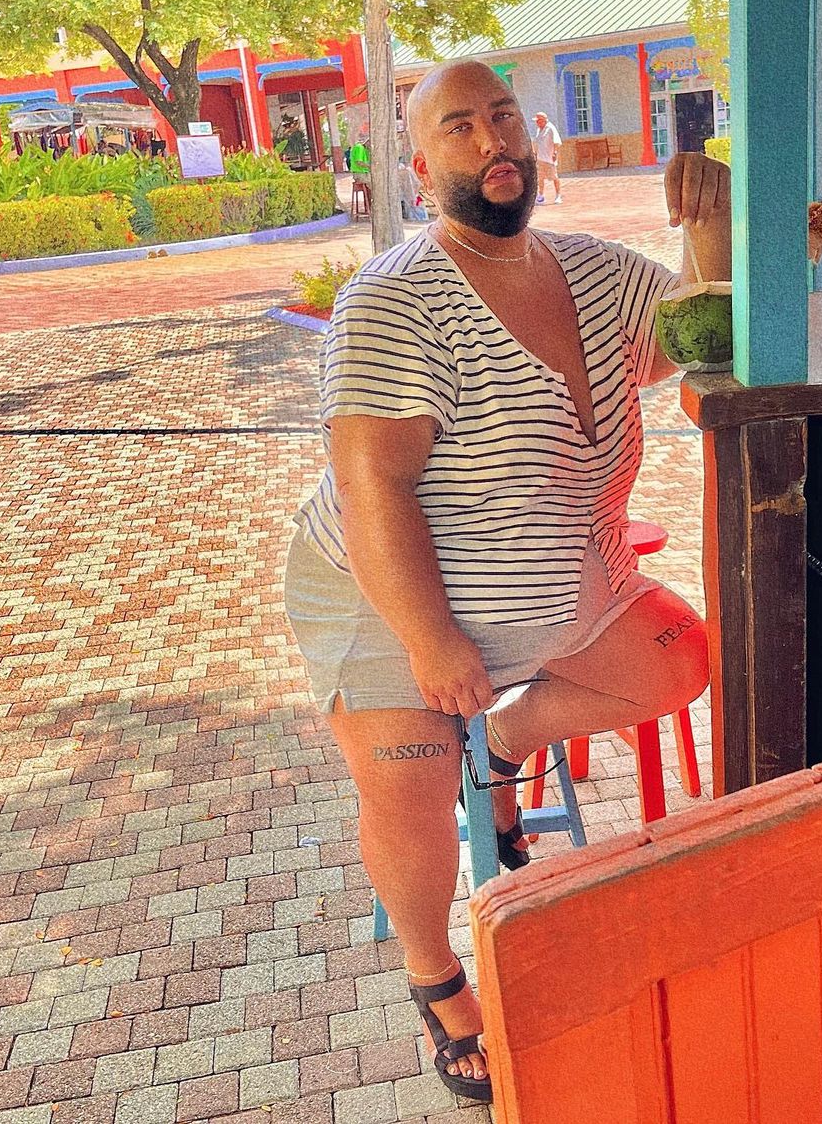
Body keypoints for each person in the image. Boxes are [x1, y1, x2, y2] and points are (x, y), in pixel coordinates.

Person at [284, 60, 718, 1104]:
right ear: (419, 164)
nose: (492, 143)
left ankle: (508, 744)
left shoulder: (595, 270)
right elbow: (375, 485)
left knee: (677, 663)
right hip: (392, 597)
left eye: (504, 117)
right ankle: (435, 978)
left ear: (531, 136)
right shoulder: (393, 301)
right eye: (460, 127)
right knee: (412, 788)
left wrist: (714, 221)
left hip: (564, 577)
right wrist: (431, 644)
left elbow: (701, 330)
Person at [532, 110, 562, 204]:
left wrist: (555, 153)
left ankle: (558, 195)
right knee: (540, 178)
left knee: (554, 177)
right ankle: (541, 196)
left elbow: (556, 142)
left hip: (549, 159)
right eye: (536, 121)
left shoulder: (550, 128)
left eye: (538, 120)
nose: (537, 123)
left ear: (543, 120)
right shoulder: (539, 130)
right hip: (540, 159)